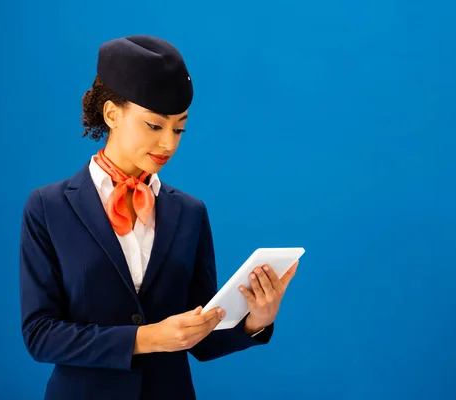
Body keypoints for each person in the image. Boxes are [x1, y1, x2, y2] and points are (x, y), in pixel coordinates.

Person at [19, 35, 299, 400]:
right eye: (155, 126)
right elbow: (40, 335)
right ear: (111, 114)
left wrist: (256, 320)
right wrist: (145, 338)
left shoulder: (190, 212)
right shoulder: (48, 207)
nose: (169, 143)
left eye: (179, 128)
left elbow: (201, 339)